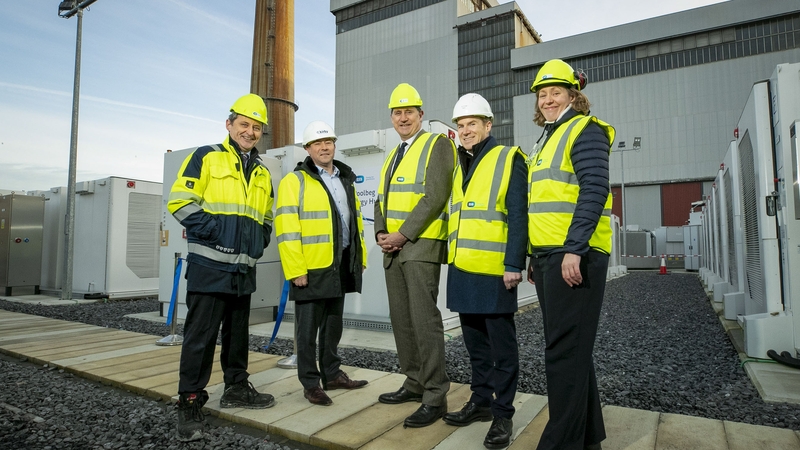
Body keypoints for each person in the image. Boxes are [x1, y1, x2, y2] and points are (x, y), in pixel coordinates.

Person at [168, 93, 276, 442]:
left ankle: (236, 387)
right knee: (200, 336)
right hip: (210, 264)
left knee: (237, 334)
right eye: (244, 124)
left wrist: (258, 241)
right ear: (229, 125)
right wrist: (216, 232)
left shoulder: (262, 172)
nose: (250, 132)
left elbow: (267, 216)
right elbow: (179, 202)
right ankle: (189, 401)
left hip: (244, 267)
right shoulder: (207, 156)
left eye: (256, 127)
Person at [526, 59, 615, 450]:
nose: (548, 100)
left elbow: (594, 189)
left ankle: (560, 443)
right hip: (550, 255)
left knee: (563, 353)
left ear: (573, 95)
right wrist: (535, 255)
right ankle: (588, 439)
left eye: (555, 92)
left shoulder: (585, 130)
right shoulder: (546, 139)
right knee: (571, 350)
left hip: (575, 255)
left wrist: (574, 248)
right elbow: (542, 202)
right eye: (542, 94)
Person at [442, 93, 527, 449]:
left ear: (488, 125)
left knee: (502, 350)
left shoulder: (508, 158)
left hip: (494, 271)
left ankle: (503, 414)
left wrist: (514, 263)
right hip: (463, 268)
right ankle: (480, 401)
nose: (465, 131)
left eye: (472, 124)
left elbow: (519, 214)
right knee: (475, 346)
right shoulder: (458, 163)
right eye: (461, 125)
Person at [374, 83, 456, 428]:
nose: (403, 117)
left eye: (409, 112)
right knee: (402, 320)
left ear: (421, 115)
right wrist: (381, 232)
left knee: (424, 321)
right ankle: (414, 382)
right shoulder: (394, 154)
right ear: (392, 117)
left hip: (420, 246)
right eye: (397, 112)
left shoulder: (437, 144)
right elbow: (381, 199)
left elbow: (435, 195)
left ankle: (435, 395)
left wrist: (402, 234)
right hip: (393, 248)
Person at [275, 121, 369, 406]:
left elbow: (355, 222)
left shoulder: (345, 179)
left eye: (328, 142)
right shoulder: (295, 181)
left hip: (340, 263)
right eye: (318, 143)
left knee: (332, 325)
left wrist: (359, 258)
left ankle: (332, 374)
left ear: (334, 145)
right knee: (307, 332)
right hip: (310, 267)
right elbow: (286, 228)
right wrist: (295, 269)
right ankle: (310, 384)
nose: (324, 147)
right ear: (308, 148)